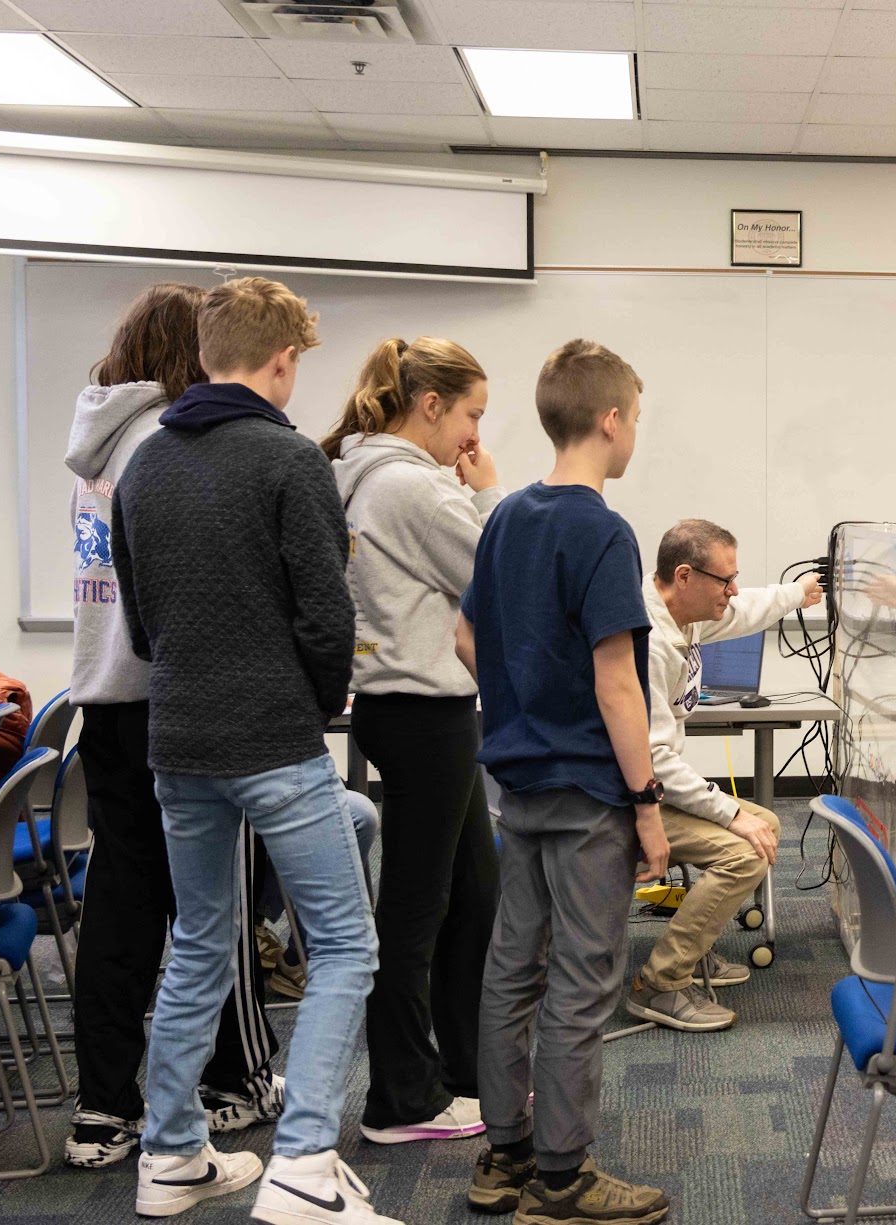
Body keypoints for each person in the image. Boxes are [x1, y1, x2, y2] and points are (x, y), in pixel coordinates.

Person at [113, 276, 395, 1224]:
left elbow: (144, 624)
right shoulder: (286, 459)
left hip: (178, 738)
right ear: (283, 361)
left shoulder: (145, 464)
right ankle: (305, 1164)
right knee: (349, 945)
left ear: (202, 357)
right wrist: (316, 703)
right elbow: (326, 613)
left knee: (196, 942)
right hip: (272, 736)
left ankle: (172, 1156)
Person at [64, 283, 285, 1167]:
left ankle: (102, 1111)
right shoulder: (169, 443)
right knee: (210, 907)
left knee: (118, 912)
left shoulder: (94, 444)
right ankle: (234, 1081)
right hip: (177, 701)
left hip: (103, 701)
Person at [459, 339, 671, 1224]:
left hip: (517, 779)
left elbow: (468, 640)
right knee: (584, 979)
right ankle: (561, 1179)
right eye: (636, 420)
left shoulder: (506, 516)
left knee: (514, 966)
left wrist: (520, 707)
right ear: (612, 419)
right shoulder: (603, 529)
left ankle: (504, 1156)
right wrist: (650, 807)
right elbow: (616, 682)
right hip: (589, 791)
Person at [325, 337, 501, 1146]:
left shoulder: (364, 472)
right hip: (424, 710)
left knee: (472, 891)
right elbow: (500, 582)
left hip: (410, 707)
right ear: (429, 405)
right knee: (416, 907)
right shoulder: (414, 489)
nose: (472, 436)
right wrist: (488, 494)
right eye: (469, 415)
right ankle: (401, 1099)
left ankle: (462, 1071)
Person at [627, 519, 820, 1032]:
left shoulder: (681, 614)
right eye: (724, 579)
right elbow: (654, 758)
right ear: (685, 576)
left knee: (766, 827)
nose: (733, 591)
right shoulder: (647, 643)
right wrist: (731, 812)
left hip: (651, 786)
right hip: (624, 797)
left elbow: (744, 610)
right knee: (744, 848)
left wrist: (797, 594)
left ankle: (689, 950)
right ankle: (662, 983)